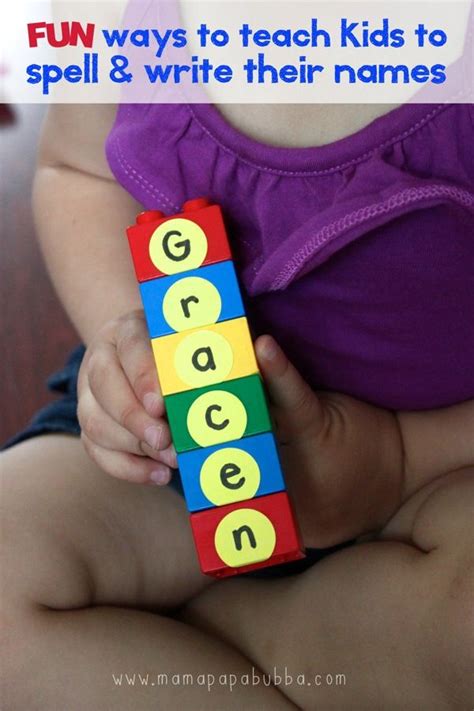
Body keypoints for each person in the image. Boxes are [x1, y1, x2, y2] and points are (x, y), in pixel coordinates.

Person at [2, 98, 473, 709]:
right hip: (180, 432)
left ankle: (243, 636)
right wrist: (123, 337)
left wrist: (401, 457)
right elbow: (77, 169)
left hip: (439, 466)